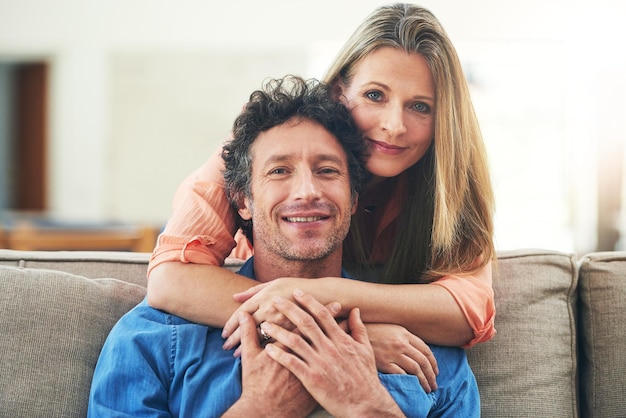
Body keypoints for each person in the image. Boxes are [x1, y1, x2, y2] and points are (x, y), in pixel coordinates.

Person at [87, 76, 480, 417]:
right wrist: (261, 409)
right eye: (279, 171)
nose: (307, 191)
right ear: (242, 199)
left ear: (355, 198)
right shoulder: (150, 339)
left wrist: (367, 407)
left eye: (327, 171)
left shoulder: (422, 351)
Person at [147, 3, 496, 385]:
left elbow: (468, 313)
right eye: (375, 95)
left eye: (419, 106)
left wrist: (326, 292)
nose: (395, 126)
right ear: (338, 92)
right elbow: (170, 279)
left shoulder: (449, 187)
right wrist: (344, 330)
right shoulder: (266, 142)